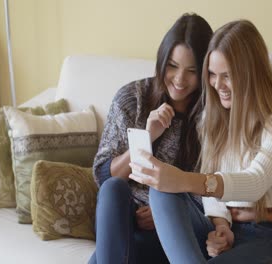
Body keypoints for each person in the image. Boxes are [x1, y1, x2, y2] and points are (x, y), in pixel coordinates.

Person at [129, 19, 272, 263]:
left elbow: (255, 182)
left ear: (251, 74)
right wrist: (220, 224)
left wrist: (183, 179)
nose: (217, 85)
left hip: (265, 236)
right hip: (222, 230)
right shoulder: (211, 119)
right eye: (212, 74)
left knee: (172, 185)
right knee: (161, 194)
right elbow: (213, 191)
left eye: (228, 76)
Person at [89, 13, 213, 264]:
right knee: (114, 188)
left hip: (183, 227)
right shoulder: (132, 98)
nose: (179, 80)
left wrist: (165, 213)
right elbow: (103, 176)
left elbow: (215, 186)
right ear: (162, 60)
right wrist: (146, 137)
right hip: (126, 223)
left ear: (204, 72)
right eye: (173, 66)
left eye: (191, 71)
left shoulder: (212, 115)